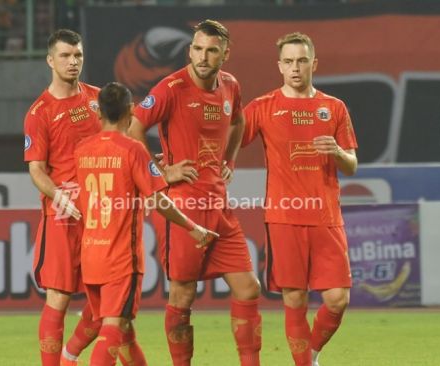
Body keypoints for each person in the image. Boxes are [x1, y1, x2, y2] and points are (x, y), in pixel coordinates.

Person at [128, 19, 262, 366]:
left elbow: (239, 121)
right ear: (189, 50)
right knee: (184, 294)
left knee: (249, 288)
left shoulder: (231, 85)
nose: (203, 57)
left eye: (212, 50)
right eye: (198, 49)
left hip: (218, 203)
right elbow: (133, 129)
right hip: (182, 206)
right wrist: (162, 174)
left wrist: (229, 159)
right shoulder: (170, 88)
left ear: (225, 54)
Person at [75, 81, 218, 366]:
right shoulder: (133, 150)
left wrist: (158, 171)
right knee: (113, 330)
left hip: (91, 255)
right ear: (130, 110)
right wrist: (194, 227)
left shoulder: (82, 150)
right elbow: (160, 200)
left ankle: (67, 357)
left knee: (125, 330)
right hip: (120, 260)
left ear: (98, 112)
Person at [241, 32, 358, 366]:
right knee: (295, 298)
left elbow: (351, 165)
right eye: (289, 61)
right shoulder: (263, 107)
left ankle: (312, 355)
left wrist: (336, 151)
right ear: (279, 66)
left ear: (313, 64)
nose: (295, 67)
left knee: (338, 299)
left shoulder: (333, 107)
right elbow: (230, 139)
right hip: (284, 217)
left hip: (326, 217)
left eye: (302, 60)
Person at [23, 29, 102, 366]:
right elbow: (37, 170)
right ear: (50, 60)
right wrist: (59, 196)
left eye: (78, 55)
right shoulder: (39, 112)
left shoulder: (99, 99)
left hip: (101, 214)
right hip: (63, 216)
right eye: (66, 56)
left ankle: (69, 355)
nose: (73, 62)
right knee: (59, 296)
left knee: (108, 304)